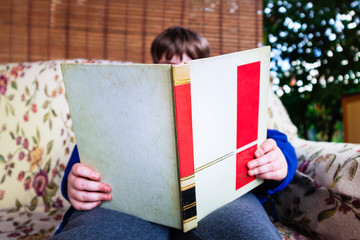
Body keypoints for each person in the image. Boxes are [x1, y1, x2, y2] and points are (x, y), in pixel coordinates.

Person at [52, 26, 297, 240]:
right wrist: (73, 184)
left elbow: (273, 141)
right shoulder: (124, 115)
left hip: (219, 203)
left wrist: (280, 161)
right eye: (168, 67)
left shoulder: (225, 109)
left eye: (189, 67)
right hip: (129, 206)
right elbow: (86, 155)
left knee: (247, 230)